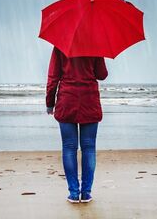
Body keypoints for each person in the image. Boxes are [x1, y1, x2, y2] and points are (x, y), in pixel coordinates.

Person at [45, 46, 108, 204]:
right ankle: (86, 193)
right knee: (89, 148)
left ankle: (73, 193)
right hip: (89, 101)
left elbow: (53, 77)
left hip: (67, 100)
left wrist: (49, 103)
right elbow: (102, 75)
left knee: (69, 147)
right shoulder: (95, 44)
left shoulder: (61, 45)